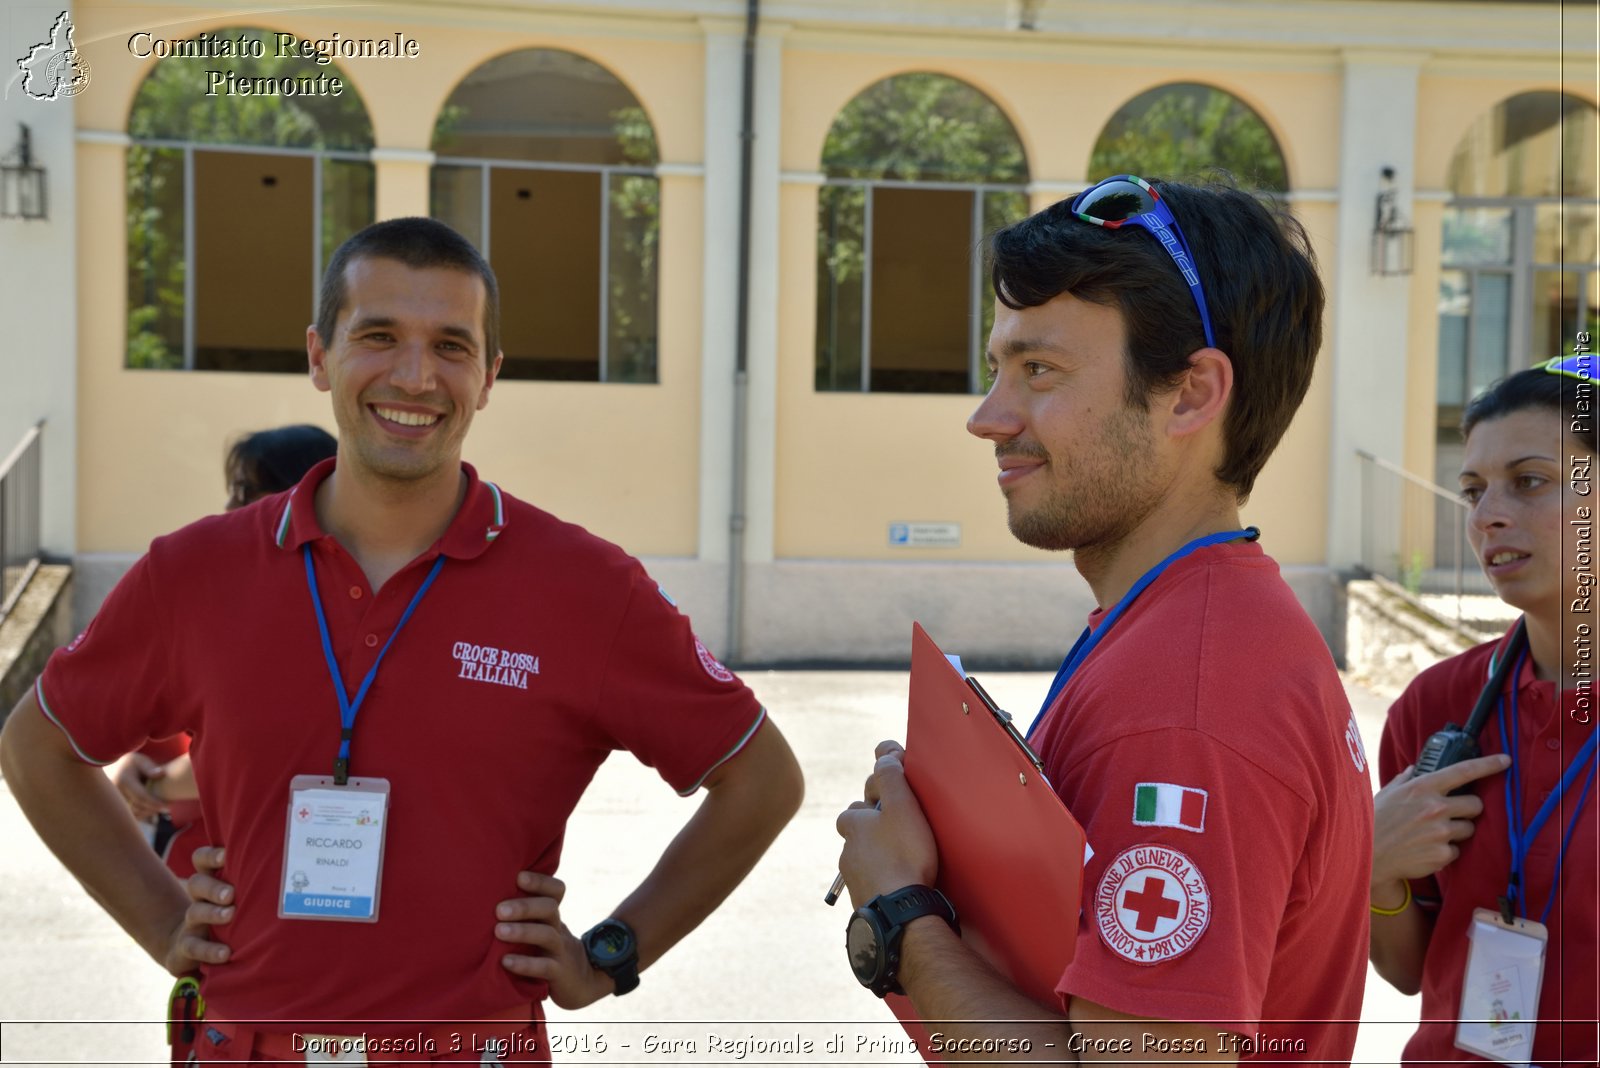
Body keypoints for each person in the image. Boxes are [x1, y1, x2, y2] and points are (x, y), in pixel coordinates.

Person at [1, 217, 804, 1062]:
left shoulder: (586, 588)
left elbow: (762, 779)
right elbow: (37, 748)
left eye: (452, 346)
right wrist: (162, 921)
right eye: (379, 336)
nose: (416, 376)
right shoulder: (195, 572)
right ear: (319, 356)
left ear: (489, 376)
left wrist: (611, 953)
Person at [834, 175, 1371, 1063]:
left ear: (1192, 394)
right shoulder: (1195, 626)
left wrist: (901, 913)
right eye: (996, 367)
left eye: (1039, 370)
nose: (987, 417)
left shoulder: (1186, 700)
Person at [1370, 359, 1597, 1067]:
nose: (1486, 514)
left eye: (1529, 482)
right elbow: (1408, 972)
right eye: (1473, 491)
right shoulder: (1434, 708)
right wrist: (1371, 864)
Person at [106, 424, 338, 878]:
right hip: (192, 854)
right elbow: (61, 733)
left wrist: (152, 784)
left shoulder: (323, 613)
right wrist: (130, 761)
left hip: (255, 868)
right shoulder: (216, 591)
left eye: (244, 490)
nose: (230, 506)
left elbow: (255, 752)